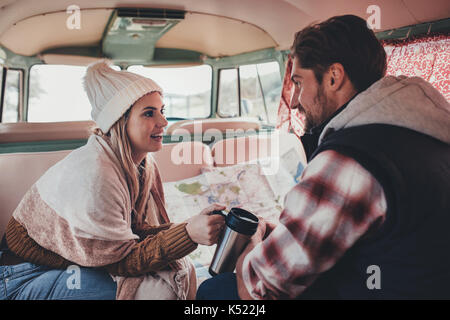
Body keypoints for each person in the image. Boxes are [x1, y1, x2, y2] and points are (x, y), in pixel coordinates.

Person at [197, 14, 450, 300]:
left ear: (333, 77)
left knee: (214, 291)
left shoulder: (349, 158)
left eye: (299, 83)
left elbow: (257, 286)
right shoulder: (430, 135)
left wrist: (253, 240)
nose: (294, 101)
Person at [0, 61, 225, 300]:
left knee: (177, 271)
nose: (163, 122)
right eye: (149, 113)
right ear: (119, 121)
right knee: (149, 292)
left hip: (70, 263)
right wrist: (188, 235)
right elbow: (124, 260)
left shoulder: (142, 165)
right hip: (21, 275)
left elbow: (135, 233)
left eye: (162, 110)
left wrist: (191, 226)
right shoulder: (96, 174)